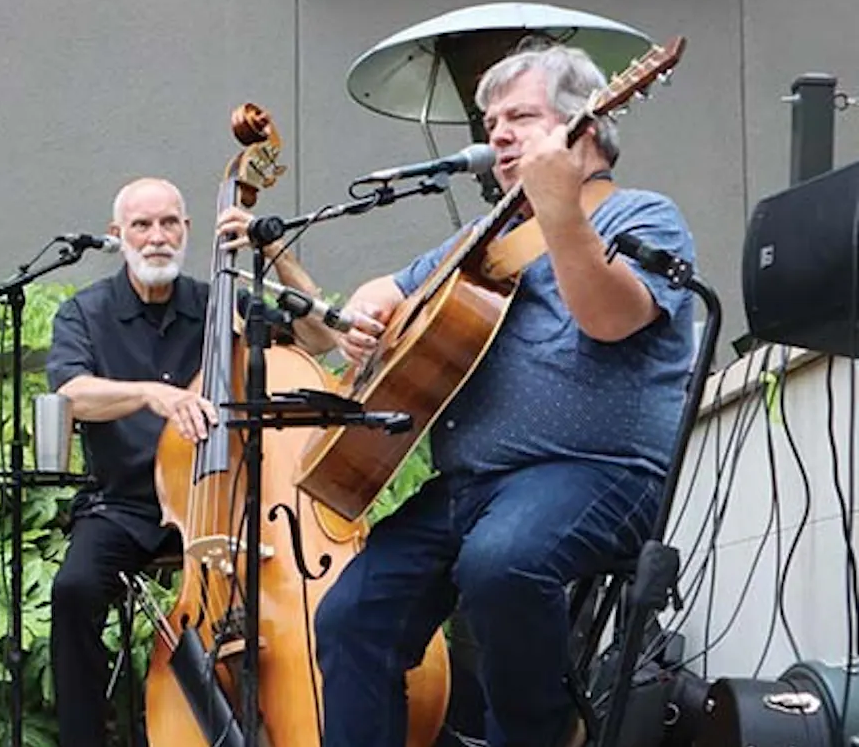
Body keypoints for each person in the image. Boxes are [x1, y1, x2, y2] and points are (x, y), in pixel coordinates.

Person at [217, 43, 696, 747]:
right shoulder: (483, 235)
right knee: (351, 614)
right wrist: (371, 317)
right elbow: (387, 288)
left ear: (586, 128)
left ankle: (542, 735)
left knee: (502, 562)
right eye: (491, 121)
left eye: (520, 117)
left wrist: (559, 212)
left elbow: (611, 318)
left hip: (598, 473)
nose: (497, 134)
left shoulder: (641, 216)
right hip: (471, 487)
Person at [44, 177, 217, 747]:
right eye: (142, 225)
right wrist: (149, 393)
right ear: (118, 235)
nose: (157, 237)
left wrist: (275, 255)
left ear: (186, 230)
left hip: (214, 499)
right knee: (73, 591)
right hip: (124, 505)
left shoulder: (219, 305)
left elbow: (314, 338)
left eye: (169, 223)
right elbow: (71, 394)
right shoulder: (85, 312)